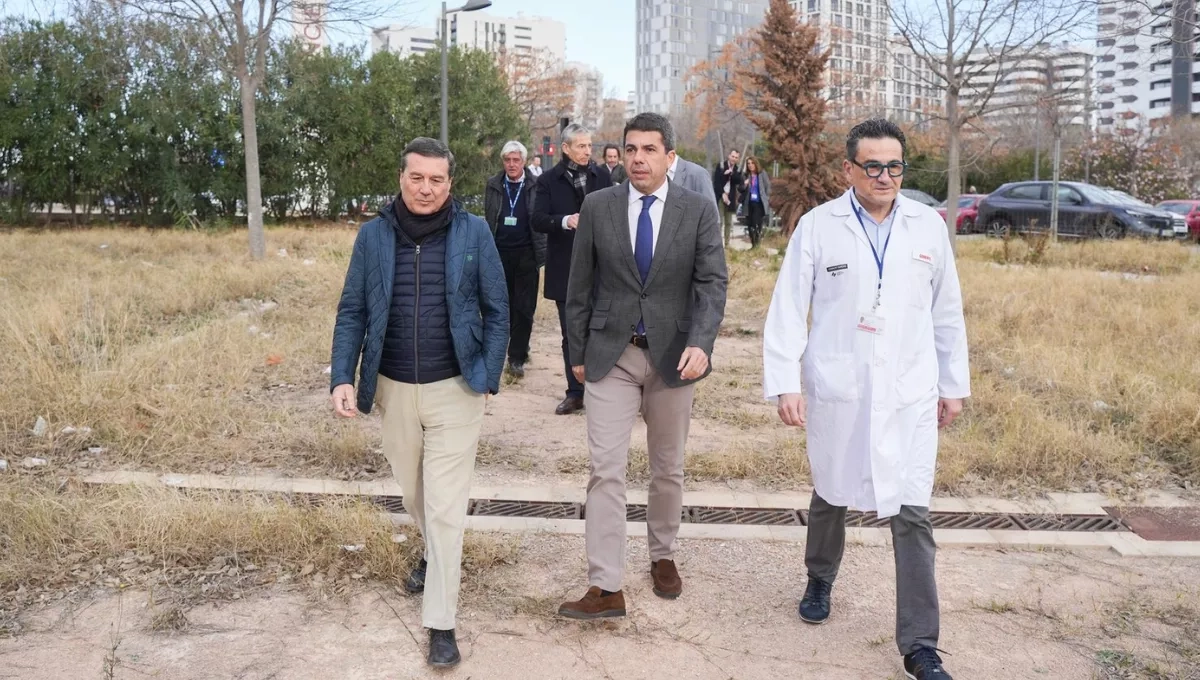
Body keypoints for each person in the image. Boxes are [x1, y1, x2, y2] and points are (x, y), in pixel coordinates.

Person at [762, 118, 969, 680]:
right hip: (840, 384)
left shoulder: (927, 227)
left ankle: (920, 644)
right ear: (848, 169)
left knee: (912, 511)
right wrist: (785, 382)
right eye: (872, 166)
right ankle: (820, 577)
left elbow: (947, 311)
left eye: (894, 166)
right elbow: (788, 308)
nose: (884, 176)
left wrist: (953, 385)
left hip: (909, 390)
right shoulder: (818, 227)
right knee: (832, 490)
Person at [330, 137, 509, 669]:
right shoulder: (372, 236)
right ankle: (432, 554)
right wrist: (342, 376)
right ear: (401, 178)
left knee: (446, 507)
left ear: (450, 183)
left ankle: (441, 621)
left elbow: (498, 308)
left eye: (437, 179)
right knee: (415, 493)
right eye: (417, 177)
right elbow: (352, 310)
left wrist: (487, 374)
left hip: (457, 388)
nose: (426, 188)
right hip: (393, 388)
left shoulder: (474, 232)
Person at [556, 112, 728, 620]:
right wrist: (577, 354)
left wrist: (702, 343)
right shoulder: (598, 206)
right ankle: (605, 586)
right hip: (612, 355)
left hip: (675, 358)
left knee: (667, 467)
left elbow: (712, 283)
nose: (638, 158)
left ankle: (662, 554)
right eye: (631, 149)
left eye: (650, 149)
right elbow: (579, 286)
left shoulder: (697, 210)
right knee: (605, 470)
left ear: (670, 157)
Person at [531, 123, 613, 416]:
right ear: (565, 148)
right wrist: (566, 221)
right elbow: (538, 219)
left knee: (603, 330)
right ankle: (575, 393)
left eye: (590, 145)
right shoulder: (548, 181)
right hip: (565, 268)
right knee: (571, 333)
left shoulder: (602, 176)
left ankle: (603, 392)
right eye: (581, 146)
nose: (587, 151)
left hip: (602, 269)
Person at [484, 140, 546, 379]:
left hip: (527, 254)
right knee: (501, 305)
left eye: (516, 160)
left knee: (524, 307)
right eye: (507, 160)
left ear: (524, 161)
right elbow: (489, 217)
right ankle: (504, 348)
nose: (511, 164)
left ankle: (517, 357)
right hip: (499, 253)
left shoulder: (535, 185)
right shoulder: (493, 185)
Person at [711, 149, 742, 246]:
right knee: (719, 221)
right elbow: (716, 182)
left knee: (728, 222)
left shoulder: (737, 169)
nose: (734, 159)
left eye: (736, 157)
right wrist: (723, 193)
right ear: (729, 156)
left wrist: (731, 173)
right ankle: (718, 243)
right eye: (733, 156)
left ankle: (727, 243)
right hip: (721, 196)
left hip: (730, 198)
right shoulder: (721, 166)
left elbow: (738, 180)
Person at [740, 157, 771, 248]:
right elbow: (740, 189)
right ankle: (753, 244)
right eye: (748, 163)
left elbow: (767, 186)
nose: (750, 165)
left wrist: (766, 198)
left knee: (756, 223)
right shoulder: (745, 175)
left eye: (752, 163)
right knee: (750, 224)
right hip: (748, 203)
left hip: (759, 203)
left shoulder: (762, 173)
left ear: (756, 164)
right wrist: (745, 184)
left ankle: (757, 244)